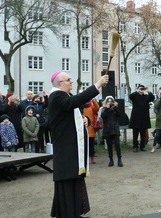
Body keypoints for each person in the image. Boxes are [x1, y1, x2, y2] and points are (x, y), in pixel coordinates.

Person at [48, 71, 109, 218]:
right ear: (59, 83)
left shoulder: (63, 96)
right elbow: (72, 103)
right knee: (68, 180)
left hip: (70, 146)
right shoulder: (56, 96)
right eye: (67, 80)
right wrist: (97, 85)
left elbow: (69, 114)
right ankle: (68, 213)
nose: (71, 81)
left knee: (75, 178)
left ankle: (75, 212)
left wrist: (83, 121)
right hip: (65, 147)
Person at [129, 85, 154, 152]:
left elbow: (152, 98)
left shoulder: (146, 97)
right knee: (135, 134)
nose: (141, 90)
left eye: (142, 89)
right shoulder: (135, 96)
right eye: (140, 89)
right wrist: (137, 91)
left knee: (143, 134)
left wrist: (148, 91)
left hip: (144, 117)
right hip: (136, 117)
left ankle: (142, 146)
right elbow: (130, 96)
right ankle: (135, 146)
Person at [101, 96, 123, 167]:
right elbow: (102, 116)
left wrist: (115, 108)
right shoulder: (104, 109)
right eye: (108, 101)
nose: (110, 103)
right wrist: (107, 108)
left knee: (117, 144)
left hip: (115, 128)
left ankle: (119, 159)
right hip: (107, 129)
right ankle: (111, 160)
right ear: (106, 102)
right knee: (109, 145)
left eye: (111, 101)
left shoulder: (115, 108)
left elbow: (120, 115)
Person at [82, 97, 100, 164]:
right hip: (83, 127)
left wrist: (94, 101)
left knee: (91, 144)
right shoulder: (80, 105)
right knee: (84, 144)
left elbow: (97, 109)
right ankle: (84, 158)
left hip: (91, 127)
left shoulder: (91, 104)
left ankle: (92, 157)